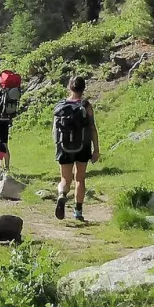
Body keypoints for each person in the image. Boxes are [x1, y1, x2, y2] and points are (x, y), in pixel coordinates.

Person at [53, 75, 99, 222]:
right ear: (83, 89)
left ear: (69, 87)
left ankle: (62, 195)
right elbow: (92, 128)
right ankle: (78, 211)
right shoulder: (86, 106)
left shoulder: (60, 106)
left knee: (65, 179)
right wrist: (96, 150)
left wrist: (58, 145)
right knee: (80, 179)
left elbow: (54, 130)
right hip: (82, 146)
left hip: (64, 147)